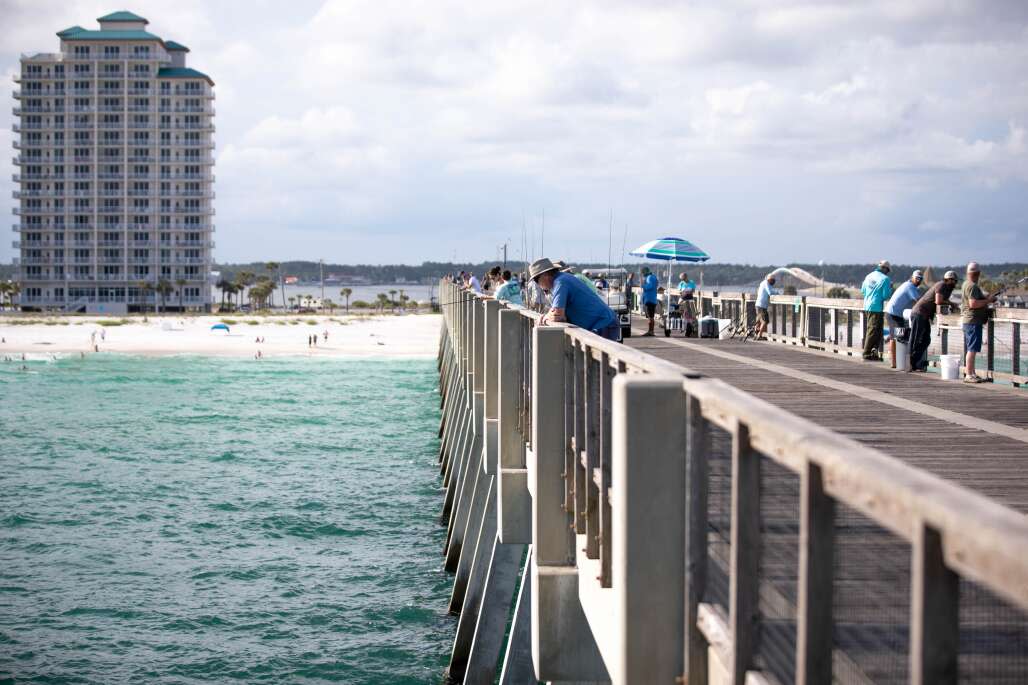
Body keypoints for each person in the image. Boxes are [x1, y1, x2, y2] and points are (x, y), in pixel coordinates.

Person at [529, 257, 620, 341]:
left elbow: (558, 315)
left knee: (599, 357)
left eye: (536, 280)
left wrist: (544, 317)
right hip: (600, 323)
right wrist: (550, 315)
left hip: (603, 323)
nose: (537, 284)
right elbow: (559, 314)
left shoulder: (560, 282)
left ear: (546, 275)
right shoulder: (562, 279)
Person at [908, 270, 959, 372]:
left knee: (926, 339)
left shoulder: (947, 288)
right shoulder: (942, 285)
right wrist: (952, 304)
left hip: (924, 315)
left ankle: (914, 362)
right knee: (915, 339)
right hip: (919, 313)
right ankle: (908, 363)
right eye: (954, 281)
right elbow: (938, 301)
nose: (955, 283)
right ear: (949, 279)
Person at [960, 261, 997, 383]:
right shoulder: (972, 286)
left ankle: (972, 373)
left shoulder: (966, 284)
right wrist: (988, 301)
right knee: (972, 349)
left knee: (972, 348)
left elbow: (974, 300)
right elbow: (973, 304)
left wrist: (987, 298)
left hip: (969, 320)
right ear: (978, 273)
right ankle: (969, 375)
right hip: (972, 321)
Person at [860, 260, 893, 361]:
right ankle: (866, 354)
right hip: (876, 307)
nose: (887, 273)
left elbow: (863, 291)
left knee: (877, 330)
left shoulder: (869, 275)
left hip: (867, 306)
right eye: (887, 270)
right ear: (885, 269)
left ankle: (874, 353)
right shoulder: (885, 279)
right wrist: (890, 288)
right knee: (874, 330)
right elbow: (886, 296)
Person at [755, 273, 778, 339]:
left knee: (759, 320)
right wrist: (777, 293)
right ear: (769, 279)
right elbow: (770, 292)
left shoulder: (763, 283)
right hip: (762, 305)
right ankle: (759, 335)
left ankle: (757, 332)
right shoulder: (766, 283)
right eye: (772, 280)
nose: (773, 282)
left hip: (759, 304)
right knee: (765, 321)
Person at [640, 266, 659, 336]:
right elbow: (656, 285)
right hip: (653, 298)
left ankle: (651, 331)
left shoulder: (649, 277)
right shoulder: (654, 277)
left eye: (642, 273)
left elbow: (649, 286)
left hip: (649, 299)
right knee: (651, 316)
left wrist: (643, 285)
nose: (642, 275)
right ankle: (651, 331)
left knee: (650, 316)